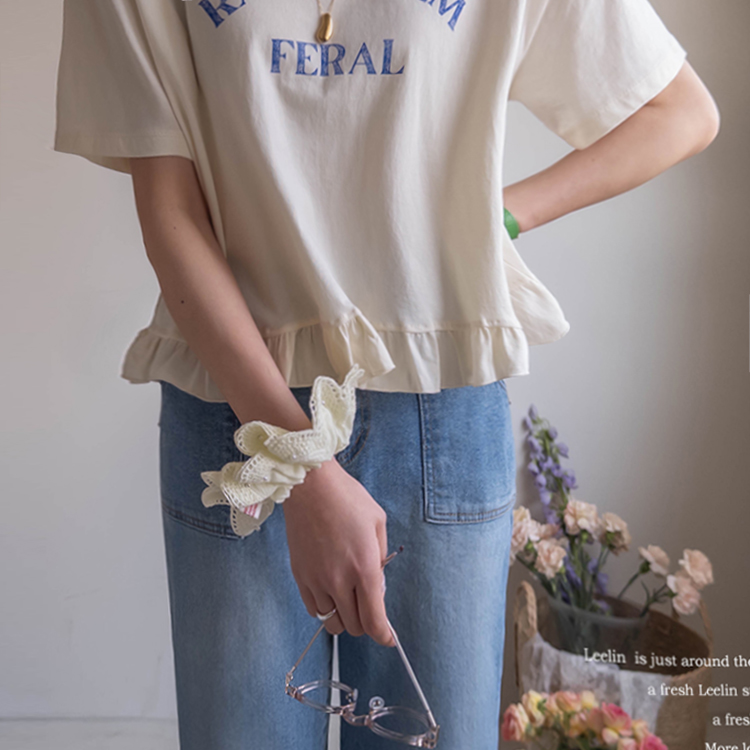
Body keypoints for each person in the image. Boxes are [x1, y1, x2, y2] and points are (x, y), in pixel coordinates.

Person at [52, 1, 719, 748]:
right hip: (238, 414)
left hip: (439, 423)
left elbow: (678, 113)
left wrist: (497, 218)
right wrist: (303, 464)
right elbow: (171, 215)